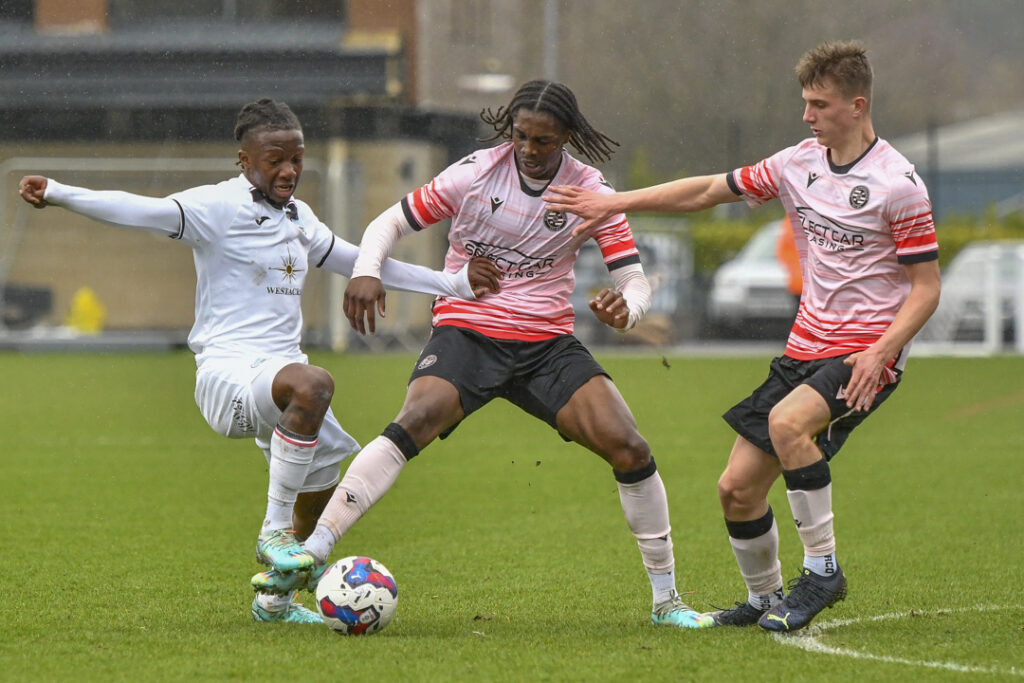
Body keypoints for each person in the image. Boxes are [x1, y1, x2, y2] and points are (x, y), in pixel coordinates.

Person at [252, 79, 716, 630]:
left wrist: (628, 310)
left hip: (545, 344)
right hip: (468, 331)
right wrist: (367, 271)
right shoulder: (474, 173)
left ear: (566, 137)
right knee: (414, 420)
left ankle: (667, 602)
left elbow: (632, 279)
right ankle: (314, 550)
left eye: (543, 141)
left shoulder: (590, 191)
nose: (529, 149)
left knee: (630, 447)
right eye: (520, 136)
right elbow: (390, 222)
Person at [18, 98, 500, 625]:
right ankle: (272, 532)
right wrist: (59, 193)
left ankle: (274, 603)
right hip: (227, 375)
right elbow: (139, 209)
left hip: (277, 377)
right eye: (275, 160)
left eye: (296, 158)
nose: (289, 170)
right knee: (314, 384)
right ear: (244, 160)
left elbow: (361, 261)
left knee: (321, 487)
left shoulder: (300, 218)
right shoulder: (216, 207)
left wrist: (451, 283)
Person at [544, 41, 941, 632]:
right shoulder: (796, 163)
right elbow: (708, 191)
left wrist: (882, 352)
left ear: (857, 106)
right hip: (804, 348)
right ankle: (764, 598)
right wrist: (617, 201)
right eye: (805, 102)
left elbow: (927, 288)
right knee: (736, 489)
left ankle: (823, 571)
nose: (807, 115)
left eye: (819, 104)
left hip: (865, 353)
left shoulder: (898, 184)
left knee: (787, 424)